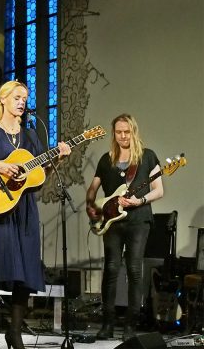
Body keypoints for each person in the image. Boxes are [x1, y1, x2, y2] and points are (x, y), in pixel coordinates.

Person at [0, 81, 71, 349]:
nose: (22, 102)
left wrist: (58, 158)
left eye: (25, 98)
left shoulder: (30, 136)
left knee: (29, 269)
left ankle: (15, 332)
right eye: (17, 97)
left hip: (25, 208)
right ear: (3, 100)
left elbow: (36, 176)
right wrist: (0, 165)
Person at [85, 113, 163, 342]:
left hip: (139, 220)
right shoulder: (106, 159)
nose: (122, 136)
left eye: (126, 132)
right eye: (118, 132)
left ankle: (131, 324)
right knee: (110, 268)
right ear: (114, 133)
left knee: (134, 270)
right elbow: (92, 189)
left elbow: (159, 190)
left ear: (133, 131)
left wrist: (140, 201)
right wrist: (91, 206)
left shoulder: (147, 157)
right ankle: (107, 324)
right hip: (112, 222)